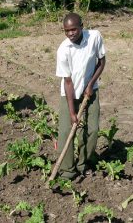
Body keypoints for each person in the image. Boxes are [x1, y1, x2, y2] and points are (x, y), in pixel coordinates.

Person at [55, 12, 106, 179]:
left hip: (91, 90)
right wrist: (71, 112)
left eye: (74, 29)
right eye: (67, 30)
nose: (70, 33)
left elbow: (101, 62)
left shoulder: (95, 37)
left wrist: (91, 84)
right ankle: (67, 169)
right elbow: (67, 82)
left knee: (92, 130)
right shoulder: (63, 50)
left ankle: (84, 163)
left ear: (82, 26)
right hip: (69, 94)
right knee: (65, 133)